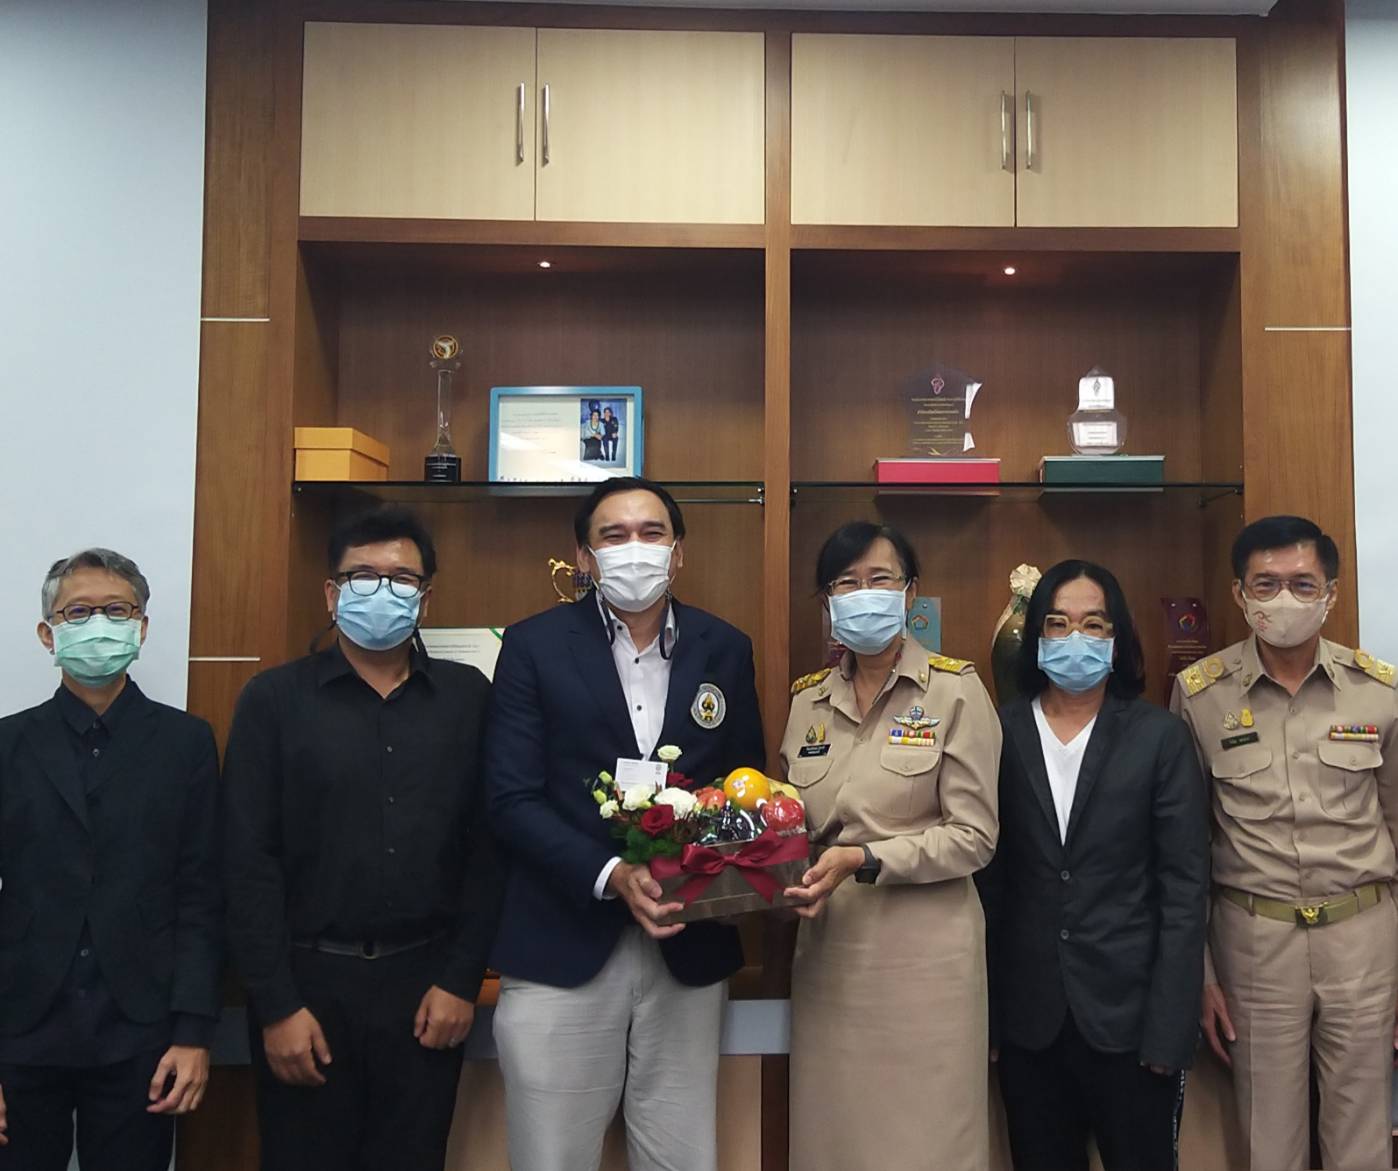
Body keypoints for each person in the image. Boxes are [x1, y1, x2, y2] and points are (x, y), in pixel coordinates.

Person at [487, 476, 764, 1171]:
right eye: (613, 535)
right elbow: (510, 797)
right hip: (560, 941)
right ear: (585, 557)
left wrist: (708, 868)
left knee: (682, 1156)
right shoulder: (532, 645)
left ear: (678, 552)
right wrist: (611, 873)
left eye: (651, 533)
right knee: (551, 1157)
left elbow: (745, 783)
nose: (634, 548)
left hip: (688, 943)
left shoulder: (725, 647)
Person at [222, 507, 500, 1171]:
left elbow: (488, 850)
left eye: (401, 578)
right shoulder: (272, 700)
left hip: (427, 988)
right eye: (362, 576)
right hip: (307, 986)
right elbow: (246, 860)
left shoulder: (468, 697)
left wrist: (461, 980)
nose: (382, 591)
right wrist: (277, 1005)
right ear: (331, 592)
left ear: (425, 599)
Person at [1171, 515, 1398, 1171]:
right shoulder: (1200, 694)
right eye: (1265, 584)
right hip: (1254, 940)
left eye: (1303, 583)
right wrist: (1201, 974)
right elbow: (1187, 849)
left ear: (1331, 593)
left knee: (1362, 1140)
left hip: (1363, 935)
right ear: (1240, 594)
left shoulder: (1378, 692)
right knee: (1266, 1142)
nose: (1285, 599)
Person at [780, 521, 1001, 1171]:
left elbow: (975, 836)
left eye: (880, 579)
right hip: (832, 957)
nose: (864, 594)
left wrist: (869, 857)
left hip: (927, 964)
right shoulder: (807, 703)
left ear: (909, 593)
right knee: (833, 1139)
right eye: (846, 583)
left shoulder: (955, 690)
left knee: (927, 1142)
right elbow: (792, 824)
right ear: (827, 602)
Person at [979, 559, 1209, 1171]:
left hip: (1132, 1025)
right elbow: (987, 886)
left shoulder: (1159, 737)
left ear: (1117, 637)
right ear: (1035, 636)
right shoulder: (996, 733)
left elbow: (1184, 890)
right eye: (1057, 623)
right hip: (1029, 1024)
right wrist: (990, 1020)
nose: (1074, 637)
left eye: (1093, 624)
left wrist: (1171, 1027)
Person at [0, 549, 221, 1170]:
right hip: (21, 1025)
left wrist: (193, 1033)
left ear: (142, 627)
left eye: (117, 610)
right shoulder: (8, 743)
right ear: (48, 633)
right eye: (78, 612)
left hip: (142, 1028)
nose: (99, 624)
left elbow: (201, 893)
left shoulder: (186, 743)